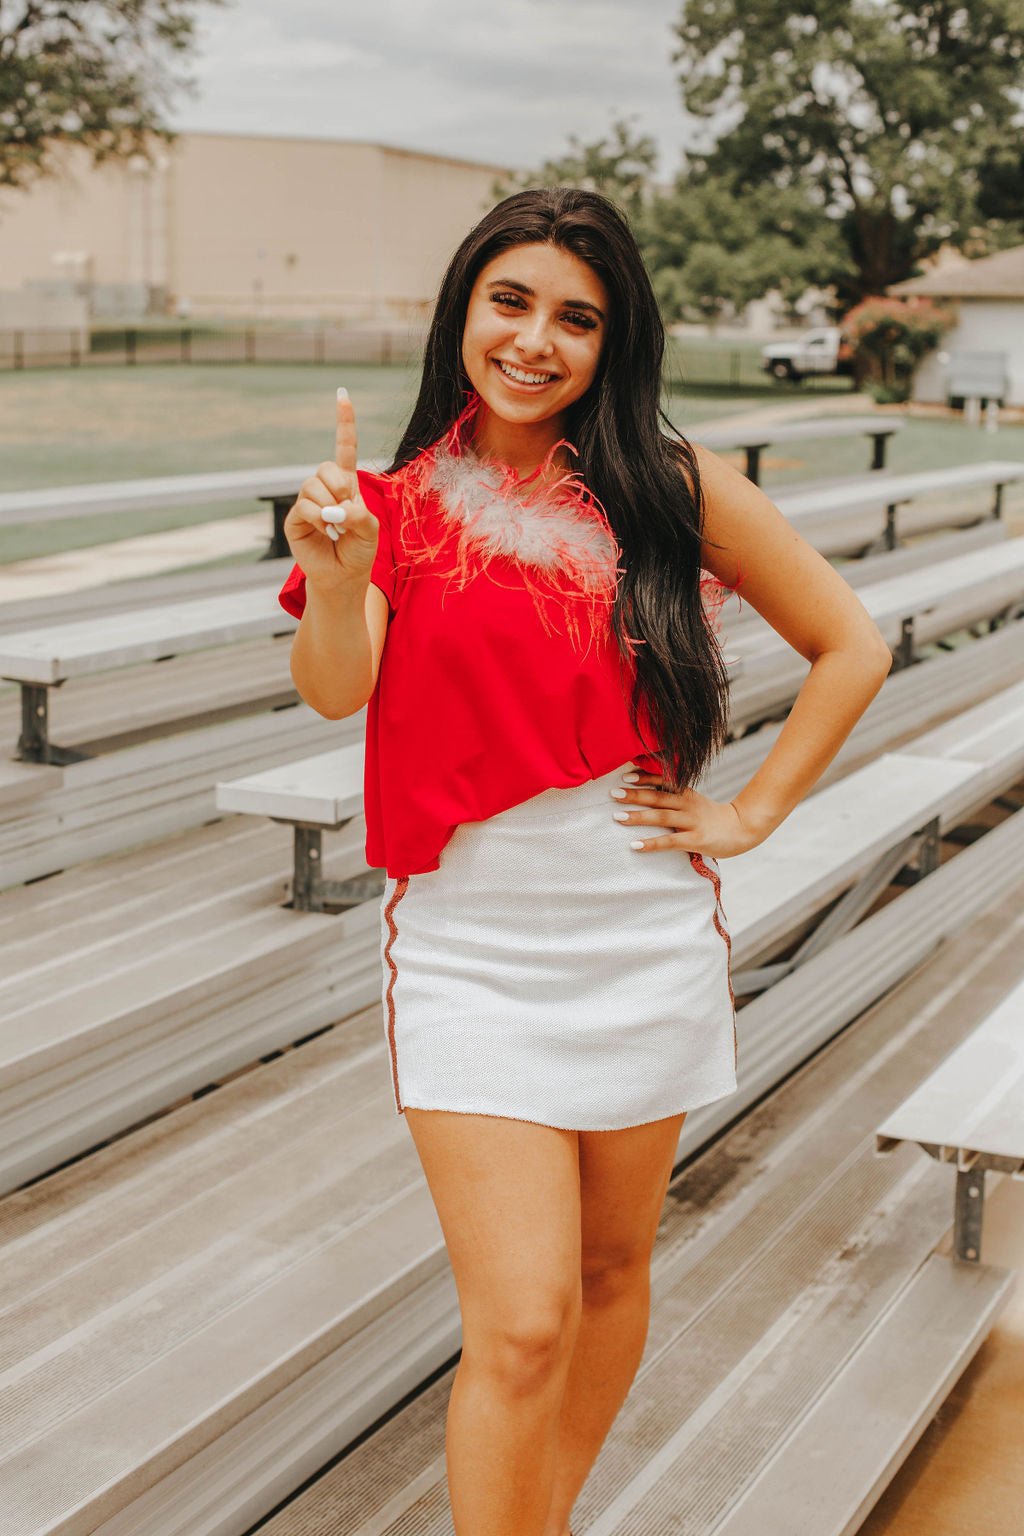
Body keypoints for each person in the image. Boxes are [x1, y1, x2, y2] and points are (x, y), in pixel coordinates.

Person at [277, 187, 893, 1536]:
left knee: (613, 1277)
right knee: (520, 1324)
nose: (536, 340)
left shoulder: (671, 489)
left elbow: (855, 643)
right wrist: (336, 576)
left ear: (615, 342)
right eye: (512, 301)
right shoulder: (394, 507)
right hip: (469, 955)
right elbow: (337, 690)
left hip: (641, 939)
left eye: (578, 317)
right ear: (465, 313)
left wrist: (753, 814)